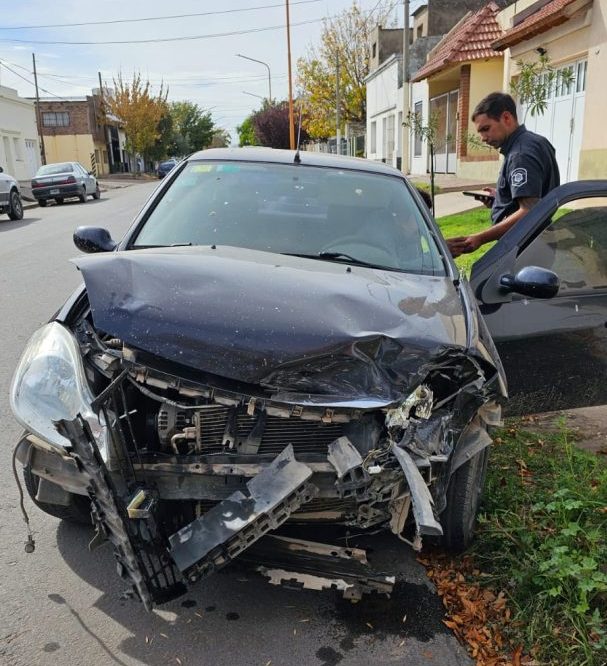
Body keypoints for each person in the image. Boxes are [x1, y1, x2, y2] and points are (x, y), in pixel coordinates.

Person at [447, 92, 559, 257]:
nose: (483, 138)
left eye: (486, 129)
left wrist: (480, 238)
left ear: (506, 118)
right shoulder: (537, 142)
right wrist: (500, 199)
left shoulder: (520, 154)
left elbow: (530, 211)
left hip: (524, 248)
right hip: (539, 244)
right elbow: (537, 195)